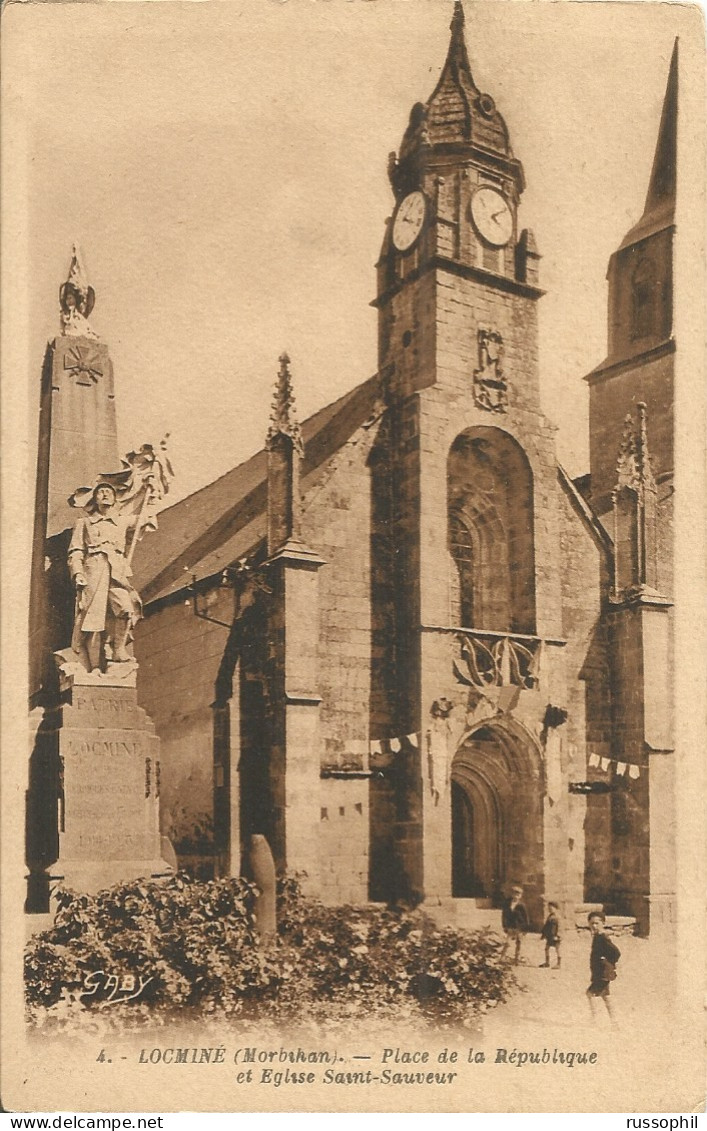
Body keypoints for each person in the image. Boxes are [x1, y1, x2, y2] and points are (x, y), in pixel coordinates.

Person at [67, 483, 141, 673]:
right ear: (95, 499)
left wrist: (152, 482)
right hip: (94, 569)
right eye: (101, 492)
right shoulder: (84, 523)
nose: (106, 494)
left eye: (110, 492)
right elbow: (75, 551)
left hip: (117, 571)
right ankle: (95, 667)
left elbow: (146, 515)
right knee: (94, 619)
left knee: (125, 607)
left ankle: (118, 650)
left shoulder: (123, 521)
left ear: (116, 498)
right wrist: (78, 573)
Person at [586, 911, 621, 1025]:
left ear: (603, 923)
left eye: (597, 923)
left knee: (590, 993)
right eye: (592, 923)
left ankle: (595, 1020)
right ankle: (615, 1022)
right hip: (599, 972)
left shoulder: (602, 937)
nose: (594, 926)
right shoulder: (597, 936)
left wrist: (607, 962)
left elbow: (616, 952)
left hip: (602, 973)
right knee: (606, 996)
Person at [501, 884, 529, 965]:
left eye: (518, 894)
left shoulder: (521, 905)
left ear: (520, 896)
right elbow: (504, 915)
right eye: (514, 894)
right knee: (507, 943)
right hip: (510, 926)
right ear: (512, 894)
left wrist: (525, 929)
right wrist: (504, 926)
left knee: (518, 943)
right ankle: (502, 957)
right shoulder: (507, 903)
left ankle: (516, 959)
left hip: (519, 927)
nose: (516, 896)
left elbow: (526, 918)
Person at [540, 901, 562, 968]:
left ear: (555, 908)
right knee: (546, 948)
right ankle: (547, 962)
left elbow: (560, 927)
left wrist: (558, 935)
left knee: (557, 949)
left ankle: (559, 964)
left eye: (551, 908)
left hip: (555, 936)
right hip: (550, 936)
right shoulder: (550, 916)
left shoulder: (558, 917)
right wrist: (543, 934)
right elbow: (546, 926)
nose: (549, 909)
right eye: (549, 908)